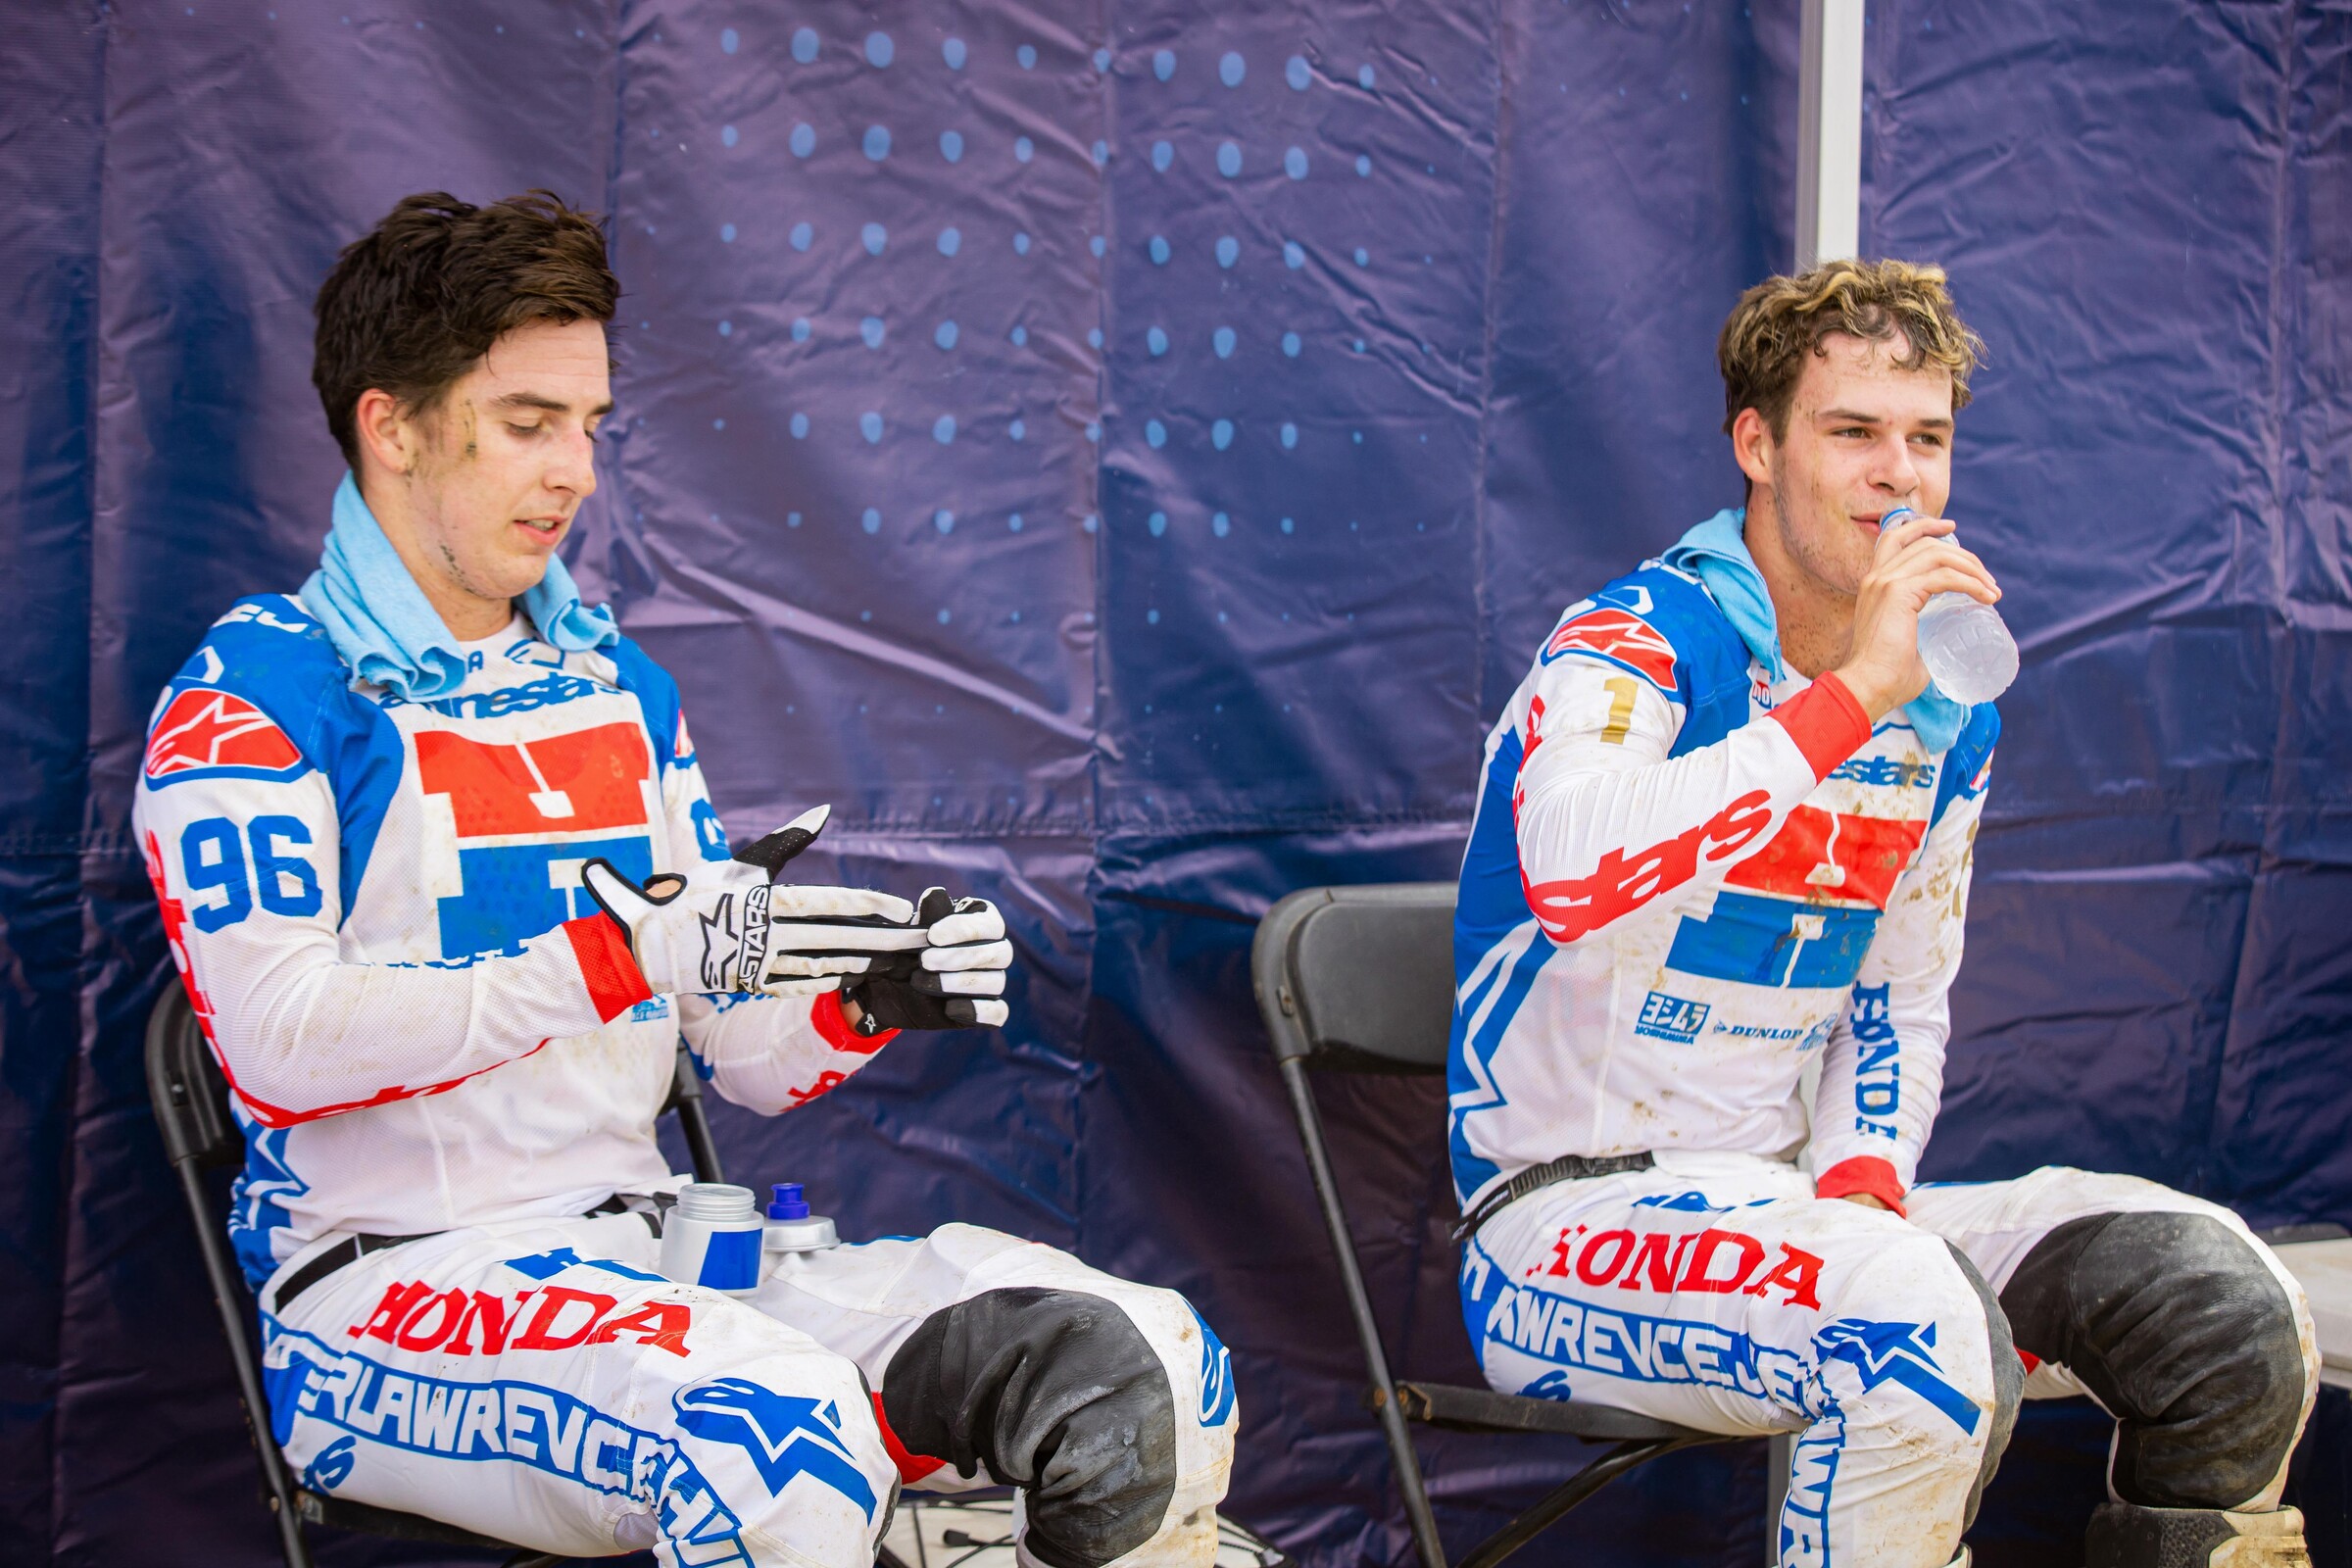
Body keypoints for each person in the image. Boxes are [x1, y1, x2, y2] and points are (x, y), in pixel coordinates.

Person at [132, 190, 1235, 1568]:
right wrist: (618, 954)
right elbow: (282, 1052)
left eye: (589, 427)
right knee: (771, 1439)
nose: (576, 472)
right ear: (394, 425)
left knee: (1153, 1370)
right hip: (390, 1285)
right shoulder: (255, 700)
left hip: (652, 1251)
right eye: (528, 423)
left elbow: (735, 1054)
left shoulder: (615, 690)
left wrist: (863, 996)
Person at [1447, 258, 2316, 1568]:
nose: (1897, 475)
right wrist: (1849, 692)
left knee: (2225, 1300)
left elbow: (1899, 992)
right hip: (1561, 1224)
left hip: (1798, 1204)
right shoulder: (1631, 643)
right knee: (1911, 1329)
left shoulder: (1944, 708)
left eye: (1928, 440)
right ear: (1757, 443)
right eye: (1853, 432)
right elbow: (1575, 877)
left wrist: (1863, 1179)